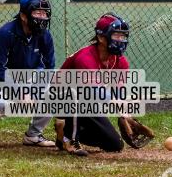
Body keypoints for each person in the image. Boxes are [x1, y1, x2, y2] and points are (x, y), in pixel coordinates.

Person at [0, 0, 55, 147]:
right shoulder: (6, 33)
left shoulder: (45, 36)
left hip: (23, 79)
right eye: (37, 13)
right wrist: (21, 92)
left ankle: (33, 135)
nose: (42, 17)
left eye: (45, 13)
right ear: (23, 15)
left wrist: (38, 90)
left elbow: (49, 67)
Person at [55, 13, 130, 157]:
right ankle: (69, 139)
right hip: (59, 97)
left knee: (114, 144)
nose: (121, 40)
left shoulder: (121, 61)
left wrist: (125, 116)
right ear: (101, 37)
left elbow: (118, 92)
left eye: (123, 36)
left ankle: (64, 131)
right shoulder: (85, 57)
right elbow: (93, 90)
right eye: (116, 36)